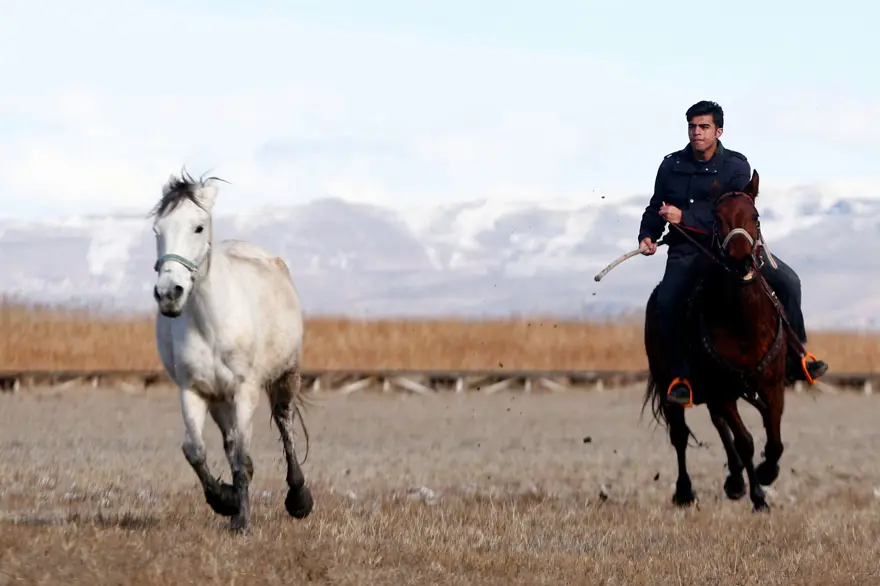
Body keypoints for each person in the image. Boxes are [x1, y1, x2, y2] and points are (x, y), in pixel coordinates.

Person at [637, 100, 828, 407]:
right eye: (692, 127)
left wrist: (684, 216)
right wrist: (648, 234)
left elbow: (733, 212)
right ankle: (681, 377)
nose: (696, 133)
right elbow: (656, 206)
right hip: (686, 250)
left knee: (790, 282)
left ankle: (798, 356)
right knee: (667, 301)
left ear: (719, 131)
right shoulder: (670, 166)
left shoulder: (736, 167)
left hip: (734, 248)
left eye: (704, 127)